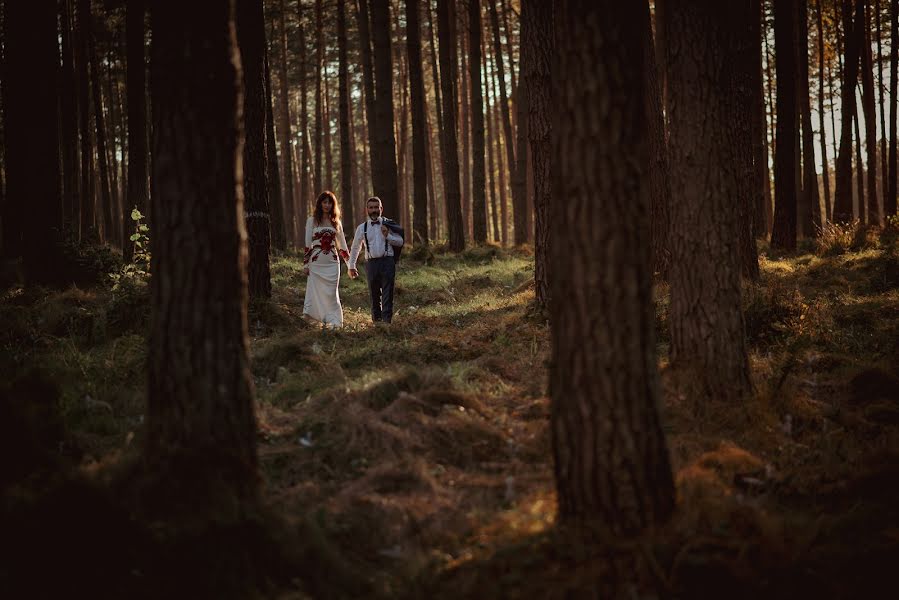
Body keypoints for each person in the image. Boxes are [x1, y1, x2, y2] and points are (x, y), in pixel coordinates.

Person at [347, 196, 403, 324]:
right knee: (374, 294)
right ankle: (377, 323)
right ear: (367, 209)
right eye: (371, 208)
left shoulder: (389, 224)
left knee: (388, 293)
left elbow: (400, 242)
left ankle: (387, 322)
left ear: (381, 209)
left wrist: (387, 235)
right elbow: (356, 247)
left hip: (387, 262)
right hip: (371, 264)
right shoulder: (362, 228)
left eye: (376, 207)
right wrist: (351, 265)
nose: (374, 210)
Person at [303, 191, 350, 328]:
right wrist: (306, 265)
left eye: (330, 202)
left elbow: (343, 247)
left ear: (333, 205)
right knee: (315, 292)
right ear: (320, 204)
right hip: (316, 263)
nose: (327, 205)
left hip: (332, 264)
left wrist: (350, 265)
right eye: (324, 202)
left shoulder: (336, 223)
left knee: (331, 293)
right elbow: (307, 244)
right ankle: (315, 319)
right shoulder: (311, 221)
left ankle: (334, 321)